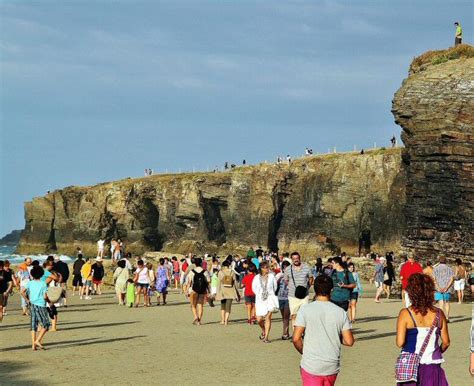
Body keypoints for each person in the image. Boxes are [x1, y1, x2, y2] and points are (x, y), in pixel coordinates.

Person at [293, 275, 354, 386]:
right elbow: (349, 341)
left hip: (311, 364)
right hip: (331, 365)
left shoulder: (305, 310)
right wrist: (335, 335)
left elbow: (296, 338)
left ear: (315, 289)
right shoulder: (340, 312)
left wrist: (304, 351)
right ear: (331, 290)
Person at [396, 273, 450, 385]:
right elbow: (446, 342)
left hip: (411, 367)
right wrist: (436, 351)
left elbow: (400, 342)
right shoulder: (439, 313)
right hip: (433, 365)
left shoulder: (405, 313)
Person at [20, 265, 52, 350]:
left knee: (33, 324)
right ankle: (37, 340)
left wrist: (27, 300)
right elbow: (45, 297)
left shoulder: (30, 283)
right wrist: (50, 302)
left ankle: (33, 345)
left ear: (32, 274)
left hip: (32, 304)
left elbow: (22, 292)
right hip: (41, 305)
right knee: (46, 324)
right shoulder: (43, 283)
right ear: (41, 274)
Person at [284, 252, 312, 331]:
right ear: (291, 259)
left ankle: (303, 331)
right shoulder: (288, 269)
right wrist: (291, 287)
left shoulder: (306, 267)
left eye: (297, 258)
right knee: (294, 315)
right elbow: (286, 280)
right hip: (292, 295)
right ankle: (296, 333)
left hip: (304, 295)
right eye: (294, 259)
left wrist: (307, 287)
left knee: (304, 315)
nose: (296, 260)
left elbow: (310, 278)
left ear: (299, 258)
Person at [252, 261, 278, 343]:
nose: (268, 269)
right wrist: (261, 294)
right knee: (259, 319)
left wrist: (269, 293)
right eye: (266, 267)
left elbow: (275, 287)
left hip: (270, 299)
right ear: (261, 268)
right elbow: (254, 288)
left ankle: (266, 337)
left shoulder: (271, 276)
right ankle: (263, 329)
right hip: (260, 300)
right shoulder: (256, 277)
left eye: (268, 267)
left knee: (268, 318)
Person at [184, 257, 210, 325]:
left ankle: (195, 316)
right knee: (200, 305)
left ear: (195, 264)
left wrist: (186, 291)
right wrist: (208, 291)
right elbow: (208, 282)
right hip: (202, 290)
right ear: (201, 263)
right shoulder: (205, 271)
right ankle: (199, 321)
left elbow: (189, 282)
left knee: (193, 305)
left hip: (194, 290)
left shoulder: (192, 271)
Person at [216, 260, 240, 325]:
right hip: (231, 291)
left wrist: (217, 292)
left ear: (223, 266)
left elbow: (218, 283)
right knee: (228, 307)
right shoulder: (232, 272)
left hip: (222, 291)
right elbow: (235, 283)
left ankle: (222, 320)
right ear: (229, 265)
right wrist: (237, 292)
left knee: (222, 306)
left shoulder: (220, 272)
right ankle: (226, 320)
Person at [433, 256, 455, 322]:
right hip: (447, 288)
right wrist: (446, 288)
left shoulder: (435, 269)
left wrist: (438, 288)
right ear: (445, 261)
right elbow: (451, 279)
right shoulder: (450, 269)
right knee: (447, 302)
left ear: (439, 261)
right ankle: (447, 317)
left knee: (441, 303)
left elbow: (434, 280)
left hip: (438, 288)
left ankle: (441, 318)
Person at [277, 260, 291, 339]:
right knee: (283, 316)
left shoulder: (292, 275)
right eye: (284, 268)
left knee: (286, 315)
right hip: (280, 297)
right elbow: (275, 285)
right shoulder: (279, 275)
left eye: (287, 268)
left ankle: (285, 333)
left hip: (288, 297)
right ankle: (286, 331)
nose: (285, 269)